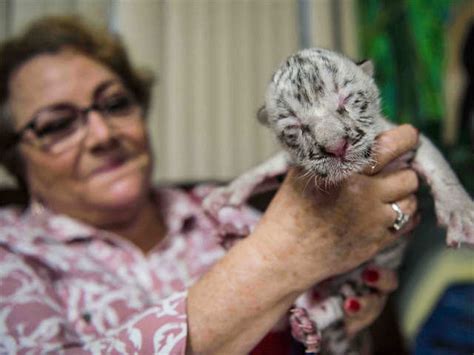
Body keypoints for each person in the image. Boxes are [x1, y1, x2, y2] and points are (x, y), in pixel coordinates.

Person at [0, 16, 420, 354]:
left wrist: (348, 319)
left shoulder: (217, 207)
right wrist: (279, 258)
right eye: (57, 125)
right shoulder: (11, 254)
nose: (102, 134)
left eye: (115, 104)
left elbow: (326, 325)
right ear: (14, 156)